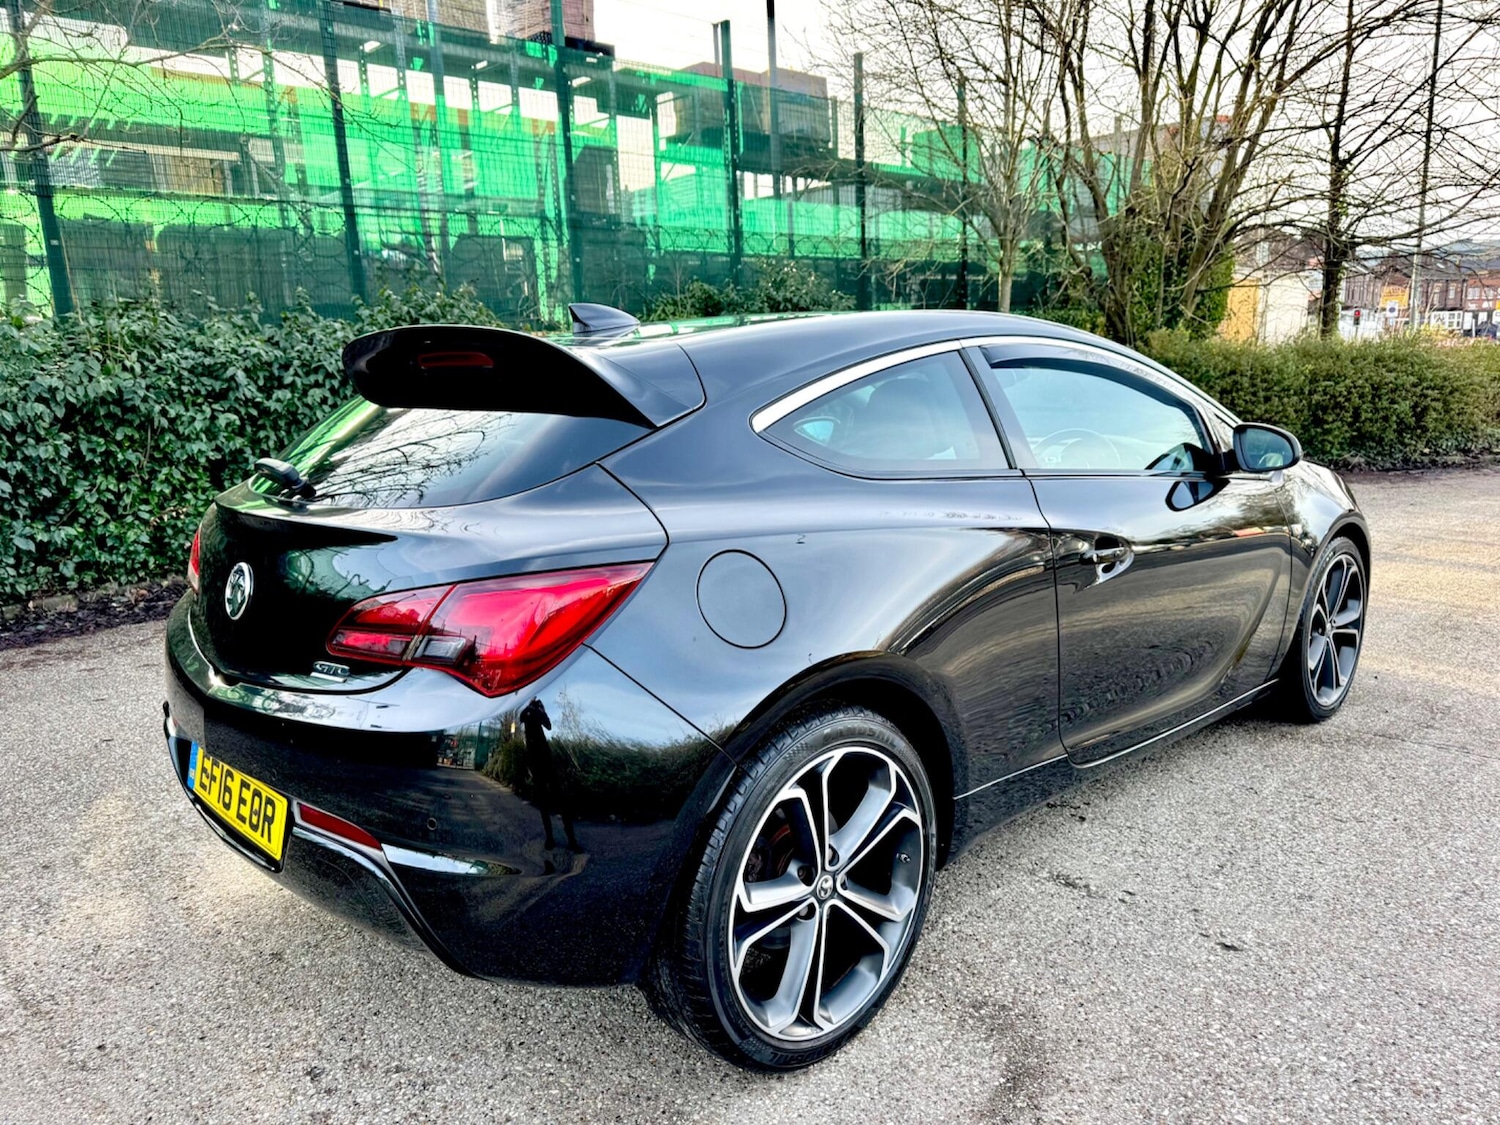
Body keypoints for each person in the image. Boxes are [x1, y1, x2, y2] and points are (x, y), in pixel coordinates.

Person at [519, 698, 579, 851]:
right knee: (546, 802)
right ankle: (554, 839)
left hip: (544, 760)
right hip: (538, 761)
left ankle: (568, 840)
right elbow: (523, 718)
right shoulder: (528, 713)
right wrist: (533, 708)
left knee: (556, 800)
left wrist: (540, 710)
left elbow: (548, 726)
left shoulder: (536, 713)